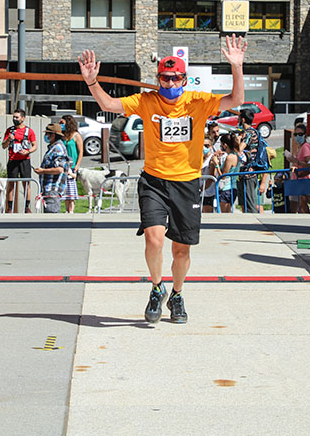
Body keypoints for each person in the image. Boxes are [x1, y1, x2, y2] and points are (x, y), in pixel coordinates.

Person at [78, 35, 247, 324]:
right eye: (164, 78)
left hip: (187, 183)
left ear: (184, 79)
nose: (169, 83)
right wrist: (92, 81)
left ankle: (177, 295)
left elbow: (237, 100)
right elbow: (108, 104)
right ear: (158, 79)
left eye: (174, 78)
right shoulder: (147, 101)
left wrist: (237, 66)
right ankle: (157, 287)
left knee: (181, 250)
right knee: (153, 239)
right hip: (154, 181)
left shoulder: (198, 101)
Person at [2, 109, 37, 213]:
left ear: (23, 118)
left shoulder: (29, 131)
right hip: (12, 160)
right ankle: (9, 207)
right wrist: (8, 139)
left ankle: (27, 207)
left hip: (24, 160)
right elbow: (4, 146)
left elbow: (35, 145)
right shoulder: (9, 130)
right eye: (14, 117)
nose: (15, 119)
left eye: (17, 117)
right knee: (11, 184)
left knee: (26, 184)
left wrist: (28, 151)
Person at [33, 123, 70, 214]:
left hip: (53, 189)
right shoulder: (53, 147)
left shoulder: (58, 148)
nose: (46, 136)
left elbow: (59, 169)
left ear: (53, 135)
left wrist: (43, 171)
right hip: (48, 189)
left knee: (51, 215)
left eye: (47, 134)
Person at [237, 109, 262, 213]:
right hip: (246, 173)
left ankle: (253, 221)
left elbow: (240, 148)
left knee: (250, 205)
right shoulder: (253, 132)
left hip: (249, 174)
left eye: (239, 118)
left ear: (243, 120)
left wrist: (237, 140)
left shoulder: (249, 133)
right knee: (245, 205)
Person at [60, 115, 84, 213]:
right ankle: (66, 209)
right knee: (65, 188)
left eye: (62, 123)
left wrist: (77, 165)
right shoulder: (62, 135)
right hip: (63, 165)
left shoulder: (76, 135)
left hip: (72, 165)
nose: (61, 125)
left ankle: (71, 210)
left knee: (71, 188)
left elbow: (81, 151)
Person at [215, 132, 241, 213]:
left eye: (221, 144)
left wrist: (216, 165)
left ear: (225, 145)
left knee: (224, 214)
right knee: (228, 212)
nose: (220, 146)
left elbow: (223, 176)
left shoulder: (230, 157)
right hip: (232, 188)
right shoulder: (236, 155)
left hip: (226, 188)